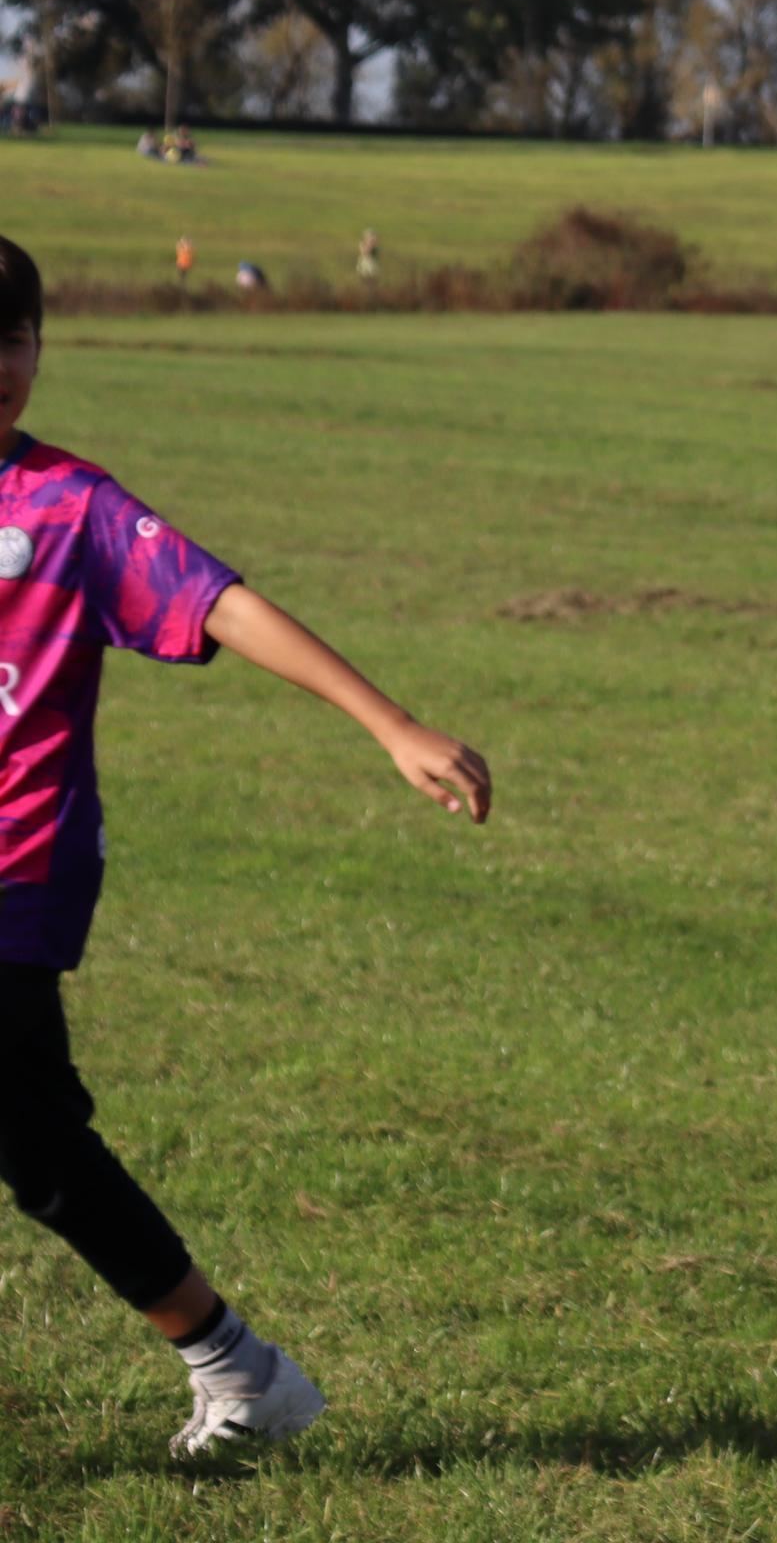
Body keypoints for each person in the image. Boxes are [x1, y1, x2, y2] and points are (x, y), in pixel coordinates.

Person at [0, 234, 491, 1457]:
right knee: (35, 1142)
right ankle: (238, 1366)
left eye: (13, 337)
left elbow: (219, 599)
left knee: (31, 1133)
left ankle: (238, 1367)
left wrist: (387, 722)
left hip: (18, 866)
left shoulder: (67, 507)